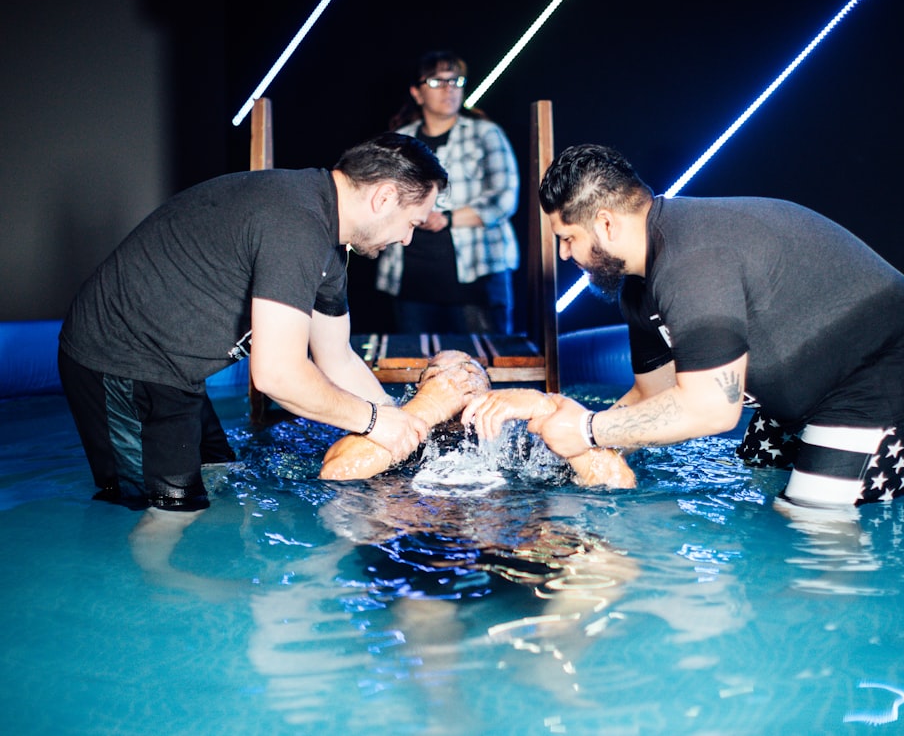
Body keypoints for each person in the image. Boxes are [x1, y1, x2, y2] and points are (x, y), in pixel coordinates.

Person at [463, 144, 904, 508]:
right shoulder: (638, 284)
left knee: (811, 528)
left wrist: (588, 429)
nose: (564, 253)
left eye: (567, 238)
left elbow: (712, 411)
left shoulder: (692, 261)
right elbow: (653, 396)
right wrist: (564, 449)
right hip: (805, 385)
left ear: (607, 224)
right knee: (755, 482)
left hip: (884, 376)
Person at [58, 132, 448, 512]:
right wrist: (375, 421)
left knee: (218, 478)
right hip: (120, 358)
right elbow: (278, 376)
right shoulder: (295, 225)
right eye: (413, 223)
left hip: (174, 366)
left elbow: (337, 358)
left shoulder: (326, 240)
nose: (407, 239)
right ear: (384, 197)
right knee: (168, 514)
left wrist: (405, 429)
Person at [320, 350, 634, 488]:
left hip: (519, 541)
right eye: (438, 376)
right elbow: (337, 473)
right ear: (417, 391)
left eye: (470, 372)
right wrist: (427, 406)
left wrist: (545, 406)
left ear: (493, 391)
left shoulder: (524, 439)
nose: (457, 382)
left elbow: (616, 481)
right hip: (423, 544)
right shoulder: (395, 430)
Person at [375, 50, 520, 334]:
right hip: (412, 281)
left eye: (455, 81)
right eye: (437, 82)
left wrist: (448, 218)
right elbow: (383, 196)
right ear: (417, 93)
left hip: (475, 277)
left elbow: (504, 197)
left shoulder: (485, 133)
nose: (448, 90)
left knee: (482, 365)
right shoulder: (401, 138)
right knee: (416, 364)